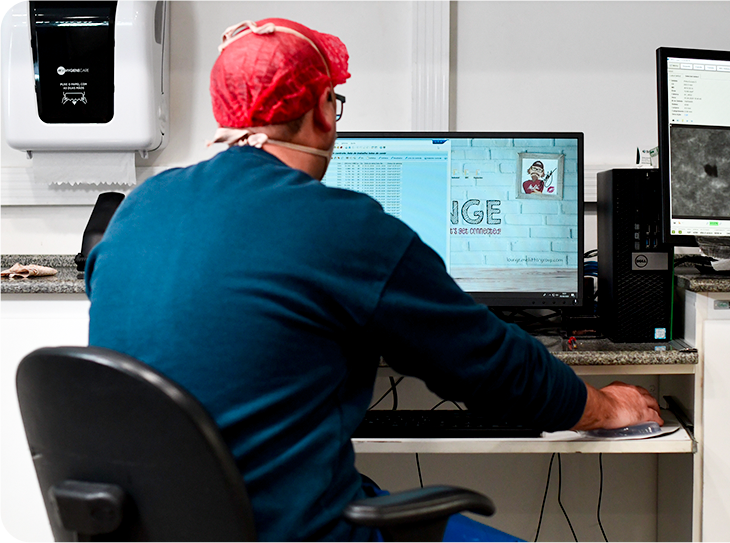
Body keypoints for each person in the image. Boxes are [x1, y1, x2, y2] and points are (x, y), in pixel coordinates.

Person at [85, 18, 662, 543]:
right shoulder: (340, 224)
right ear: (323, 112)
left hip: (152, 528)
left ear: (228, 110)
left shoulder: (142, 206)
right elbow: (491, 365)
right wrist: (605, 408)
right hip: (295, 532)